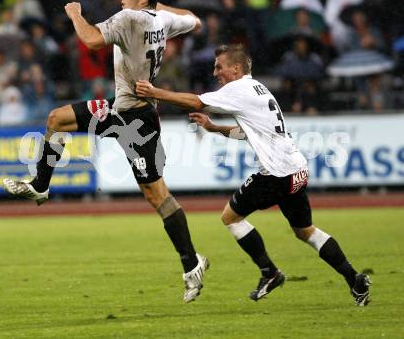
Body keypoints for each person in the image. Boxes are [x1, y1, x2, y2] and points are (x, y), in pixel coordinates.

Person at [3, 0, 209, 303]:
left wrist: (75, 14)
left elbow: (92, 40)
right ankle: (41, 184)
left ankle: (191, 263)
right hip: (119, 110)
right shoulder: (163, 20)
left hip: (138, 120)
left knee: (157, 195)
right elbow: (195, 22)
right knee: (57, 118)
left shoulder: (129, 18)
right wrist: (160, 9)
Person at [136, 44, 371, 306]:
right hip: (297, 170)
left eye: (219, 66)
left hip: (276, 173)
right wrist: (214, 128)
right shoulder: (259, 88)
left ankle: (269, 272)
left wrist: (155, 92)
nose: (216, 72)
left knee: (230, 217)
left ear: (236, 69)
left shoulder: (238, 89)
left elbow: (197, 101)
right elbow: (248, 131)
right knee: (305, 231)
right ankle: (355, 279)